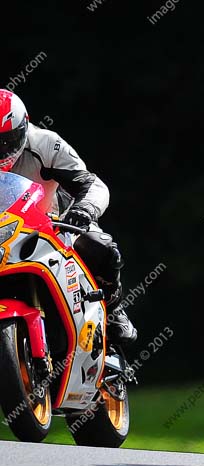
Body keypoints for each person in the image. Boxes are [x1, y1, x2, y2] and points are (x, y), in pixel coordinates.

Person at [0, 89, 137, 343]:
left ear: (23, 128)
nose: (2, 152)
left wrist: (83, 211)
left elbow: (92, 184)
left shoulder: (45, 143)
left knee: (101, 247)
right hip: (3, 236)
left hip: (52, 225)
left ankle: (114, 309)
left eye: (6, 142)